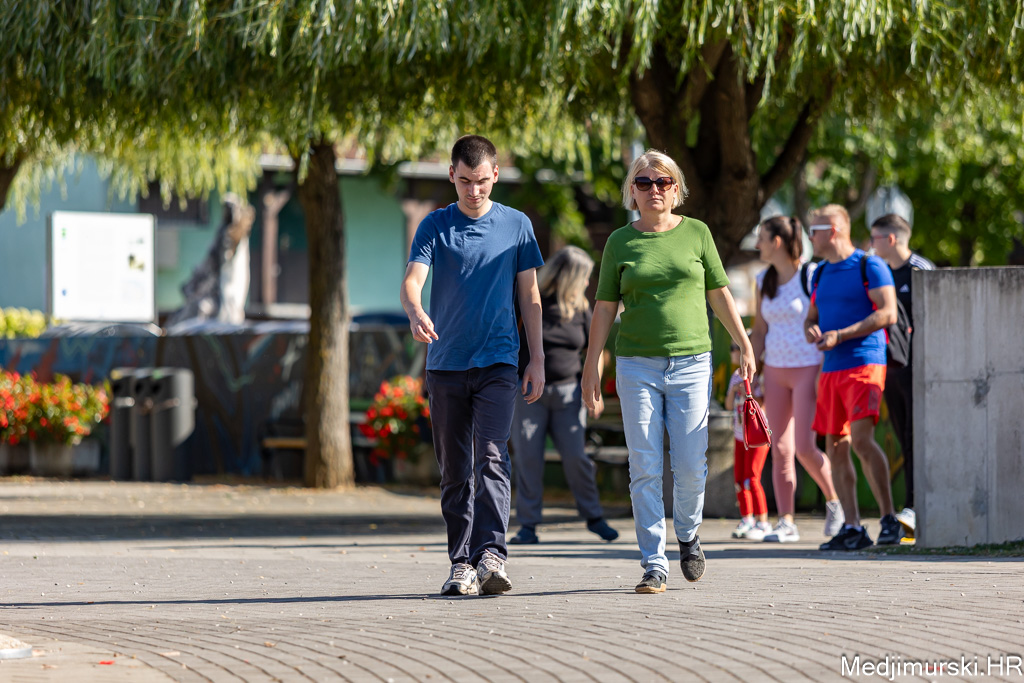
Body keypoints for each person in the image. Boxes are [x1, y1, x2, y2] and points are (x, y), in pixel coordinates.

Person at [581, 149, 755, 594]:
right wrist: (591, 364)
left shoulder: (697, 233)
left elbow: (719, 292)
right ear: (632, 192)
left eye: (663, 182)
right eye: (644, 182)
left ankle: (689, 534)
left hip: (692, 363)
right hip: (636, 364)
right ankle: (654, 563)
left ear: (676, 190)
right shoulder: (620, 242)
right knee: (644, 464)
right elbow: (604, 307)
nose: (654, 189)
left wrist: (743, 341)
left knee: (691, 464)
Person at [400, 134, 545, 596]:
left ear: (496, 175)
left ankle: (491, 556)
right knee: (455, 470)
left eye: (482, 181)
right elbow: (413, 280)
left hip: (498, 362)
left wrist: (537, 358)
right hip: (446, 364)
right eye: (465, 181)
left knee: (493, 457)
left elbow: (530, 295)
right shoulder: (435, 225)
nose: (474, 190)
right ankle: (461, 563)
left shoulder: (517, 225)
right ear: (451, 175)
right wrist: (415, 310)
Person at [803, 204, 903, 550]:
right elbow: (812, 316)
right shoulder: (819, 272)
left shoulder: (869, 265)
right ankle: (852, 527)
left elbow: (888, 313)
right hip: (831, 367)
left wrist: (842, 335)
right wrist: (811, 328)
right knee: (835, 446)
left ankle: (889, 519)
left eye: (814, 231)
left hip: (865, 362)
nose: (809, 238)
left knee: (861, 440)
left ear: (832, 231)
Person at [508, 246, 619, 545]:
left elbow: (596, 350)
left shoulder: (580, 308)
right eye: (585, 276)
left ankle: (594, 516)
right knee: (529, 458)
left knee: (576, 457)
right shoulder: (530, 302)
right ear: (570, 276)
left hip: (569, 394)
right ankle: (528, 525)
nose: (588, 283)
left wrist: (594, 389)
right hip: (529, 392)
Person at [750, 216, 844, 543]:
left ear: (777, 242)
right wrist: (752, 370)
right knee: (779, 448)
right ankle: (786, 521)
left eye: (761, 238)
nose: (757, 245)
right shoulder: (762, 280)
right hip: (775, 371)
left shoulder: (813, 274)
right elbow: (759, 331)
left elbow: (826, 317)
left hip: (809, 368)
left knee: (804, 447)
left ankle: (835, 502)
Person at [869, 213, 935, 537]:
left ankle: (915, 507)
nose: (871, 245)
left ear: (891, 239)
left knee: (915, 438)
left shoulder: (921, 270)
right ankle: (910, 510)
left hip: (921, 371)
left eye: (875, 238)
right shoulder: (879, 272)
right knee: (903, 436)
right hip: (892, 369)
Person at [724, 339, 772, 541]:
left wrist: (748, 393)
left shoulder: (759, 376)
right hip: (739, 434)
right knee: (739, 479)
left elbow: (764, 404)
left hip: (757, 435)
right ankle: (747, 518)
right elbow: (728, 405)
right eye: (732, 348)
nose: (733, 352)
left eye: (736, 348)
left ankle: (763, 521)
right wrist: (734, 390)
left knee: (752, 477)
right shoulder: (735, 376)